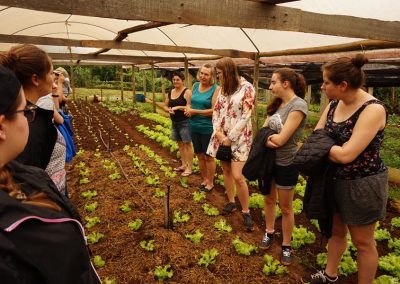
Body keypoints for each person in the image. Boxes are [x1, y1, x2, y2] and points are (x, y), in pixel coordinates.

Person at [0, 65, 101, 283]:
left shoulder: (28, 176)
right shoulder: (26, 233)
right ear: (2, 126)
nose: (30, 120)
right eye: (26, 112)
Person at [301, 54, 388, 284]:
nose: (322, 86)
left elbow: (347, 154)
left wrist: (324, 147)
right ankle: (330, 275)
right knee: (336, 231)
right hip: (332, 180)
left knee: (363, 242)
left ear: (343, 85)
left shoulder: (373, 109)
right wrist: (330, 148)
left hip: (362, 185)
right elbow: (317, 138)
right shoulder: (332, 105)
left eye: (326, 82)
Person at [0, 44, 68, 196]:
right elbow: (27, 182)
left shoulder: (33, 115)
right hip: (43, 204)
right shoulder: (26, 125)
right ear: (35, 79)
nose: (54, 81)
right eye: (51, 73)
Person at [260, 68, 308, 266]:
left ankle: (287, 245)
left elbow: (280, 140)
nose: (270, 87)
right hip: (269, 161)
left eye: (273, 83)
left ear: (285, 84)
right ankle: (269, 232)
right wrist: (267, 138)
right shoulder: (277, 104)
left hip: (287, 163)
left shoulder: (298, 105)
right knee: (269, 199)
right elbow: (262, 131)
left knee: (286, 207)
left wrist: (267, 139)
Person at [206, 57, 255, 232]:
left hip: (240, 138)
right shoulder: (222, 90)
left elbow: (246, 115)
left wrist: (230, 137)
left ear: (227, 71)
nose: (217, 77)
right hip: (221, 136)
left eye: (219, 74)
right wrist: (218, 132)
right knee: (226, 170)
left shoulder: (247, 88)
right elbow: (216, 112)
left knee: (237, 176)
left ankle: (246, 211)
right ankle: (231, 201)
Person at [185, 64, 220, 192]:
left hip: (207, 127)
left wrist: (194, 111)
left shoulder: (216, 89)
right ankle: (204, 179)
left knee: (209, 156)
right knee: (199, 155)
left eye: (206, 74)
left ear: (212, 76)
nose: (203, 76)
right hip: (194, 126)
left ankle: (210, 183)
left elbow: (214, 111)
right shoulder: (195, 86)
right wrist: (188, 109)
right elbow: (189, 103)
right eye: (202, 73)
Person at [163, 71, 194, 176]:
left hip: (185, 122)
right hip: (174, 122)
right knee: (180, 145)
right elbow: (165, 105)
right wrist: (168, 110)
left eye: (177, 80)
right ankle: (183, 165)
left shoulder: (187, 92)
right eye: (174, 80)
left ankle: (189, 168)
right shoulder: (170, 92)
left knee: (187, 145)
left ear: (183, 81)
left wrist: (179, 107)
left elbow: (191, 107)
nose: (175, 81)